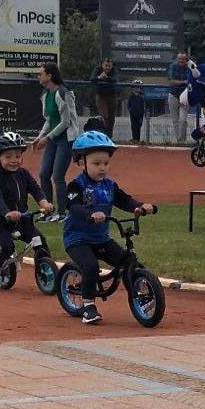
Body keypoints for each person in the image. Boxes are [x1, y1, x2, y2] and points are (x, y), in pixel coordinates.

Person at [63, 131, 155, 324]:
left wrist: (139, 206)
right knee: (90, 266)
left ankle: (138, 295)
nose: (102, 168)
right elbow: (73, 206)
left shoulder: (109, 185)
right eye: (96, 164)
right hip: (77, 238)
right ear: (82, 162)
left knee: (129, 261)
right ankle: (88, 305)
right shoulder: (77, 185)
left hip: (100, 239)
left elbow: (124, 200)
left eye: (105, 163)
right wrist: (90, 214)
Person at [0, 132, 54, 289]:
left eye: (17, 155)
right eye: (8, 157)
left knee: (40, 241)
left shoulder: (23, 174)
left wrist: (44, 203)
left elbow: (35, 189)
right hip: (0, 222)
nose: (14, 160)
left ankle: (44, 269)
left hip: (22, 220)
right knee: (7, 247)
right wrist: (7, 213)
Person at [33, 62, 81, 222]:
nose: (39, 76)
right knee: (43, 173)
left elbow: (66, 122)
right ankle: (47, 210)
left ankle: (62, 212)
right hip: (54, 139)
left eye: (41, 73)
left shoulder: (63, 93)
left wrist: (48, 138)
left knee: (57, 176)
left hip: (65, 139)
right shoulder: (45, 95)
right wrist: (40, 137)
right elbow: (49, 120)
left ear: (49, 76)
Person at [89, 58, 118, 137]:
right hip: (101, 95)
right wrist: (99, 78)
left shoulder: (114, 70)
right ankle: (103, 135)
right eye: (106, 66)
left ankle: (109, 136)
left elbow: (115, 79)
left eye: (109, 66)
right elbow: (92, 79)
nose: (107, 67)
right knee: (104, 116)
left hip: (112, 95)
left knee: (111, 118)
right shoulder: (97, 69)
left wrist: (107, 78)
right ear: (102, 65)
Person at [167, 52, 191, 143]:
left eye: (183, 59)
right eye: (179, 59)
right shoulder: (173, 66)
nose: (181, 60)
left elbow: (190, 81)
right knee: (175, 120)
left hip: (185, 96)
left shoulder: (189, 67)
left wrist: (180, 82)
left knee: (183, 120)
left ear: (186, 60)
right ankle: (179, 140)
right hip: (173, 94)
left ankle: (183, 140)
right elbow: (171, 81)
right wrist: (183, 82)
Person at [127, 79, 145, 144]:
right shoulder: (131, 96)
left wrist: (142, 114)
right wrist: (130, 110)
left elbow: (142, 107)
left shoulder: (141, 97)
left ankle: (137, 139)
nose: (137, 88)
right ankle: (134, 138)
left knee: (138, 127)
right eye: (136, 87)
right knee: (133, 126)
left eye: (138, 87)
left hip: (139, 115)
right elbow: (128, 105)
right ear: (133, 88)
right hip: (133, 114)